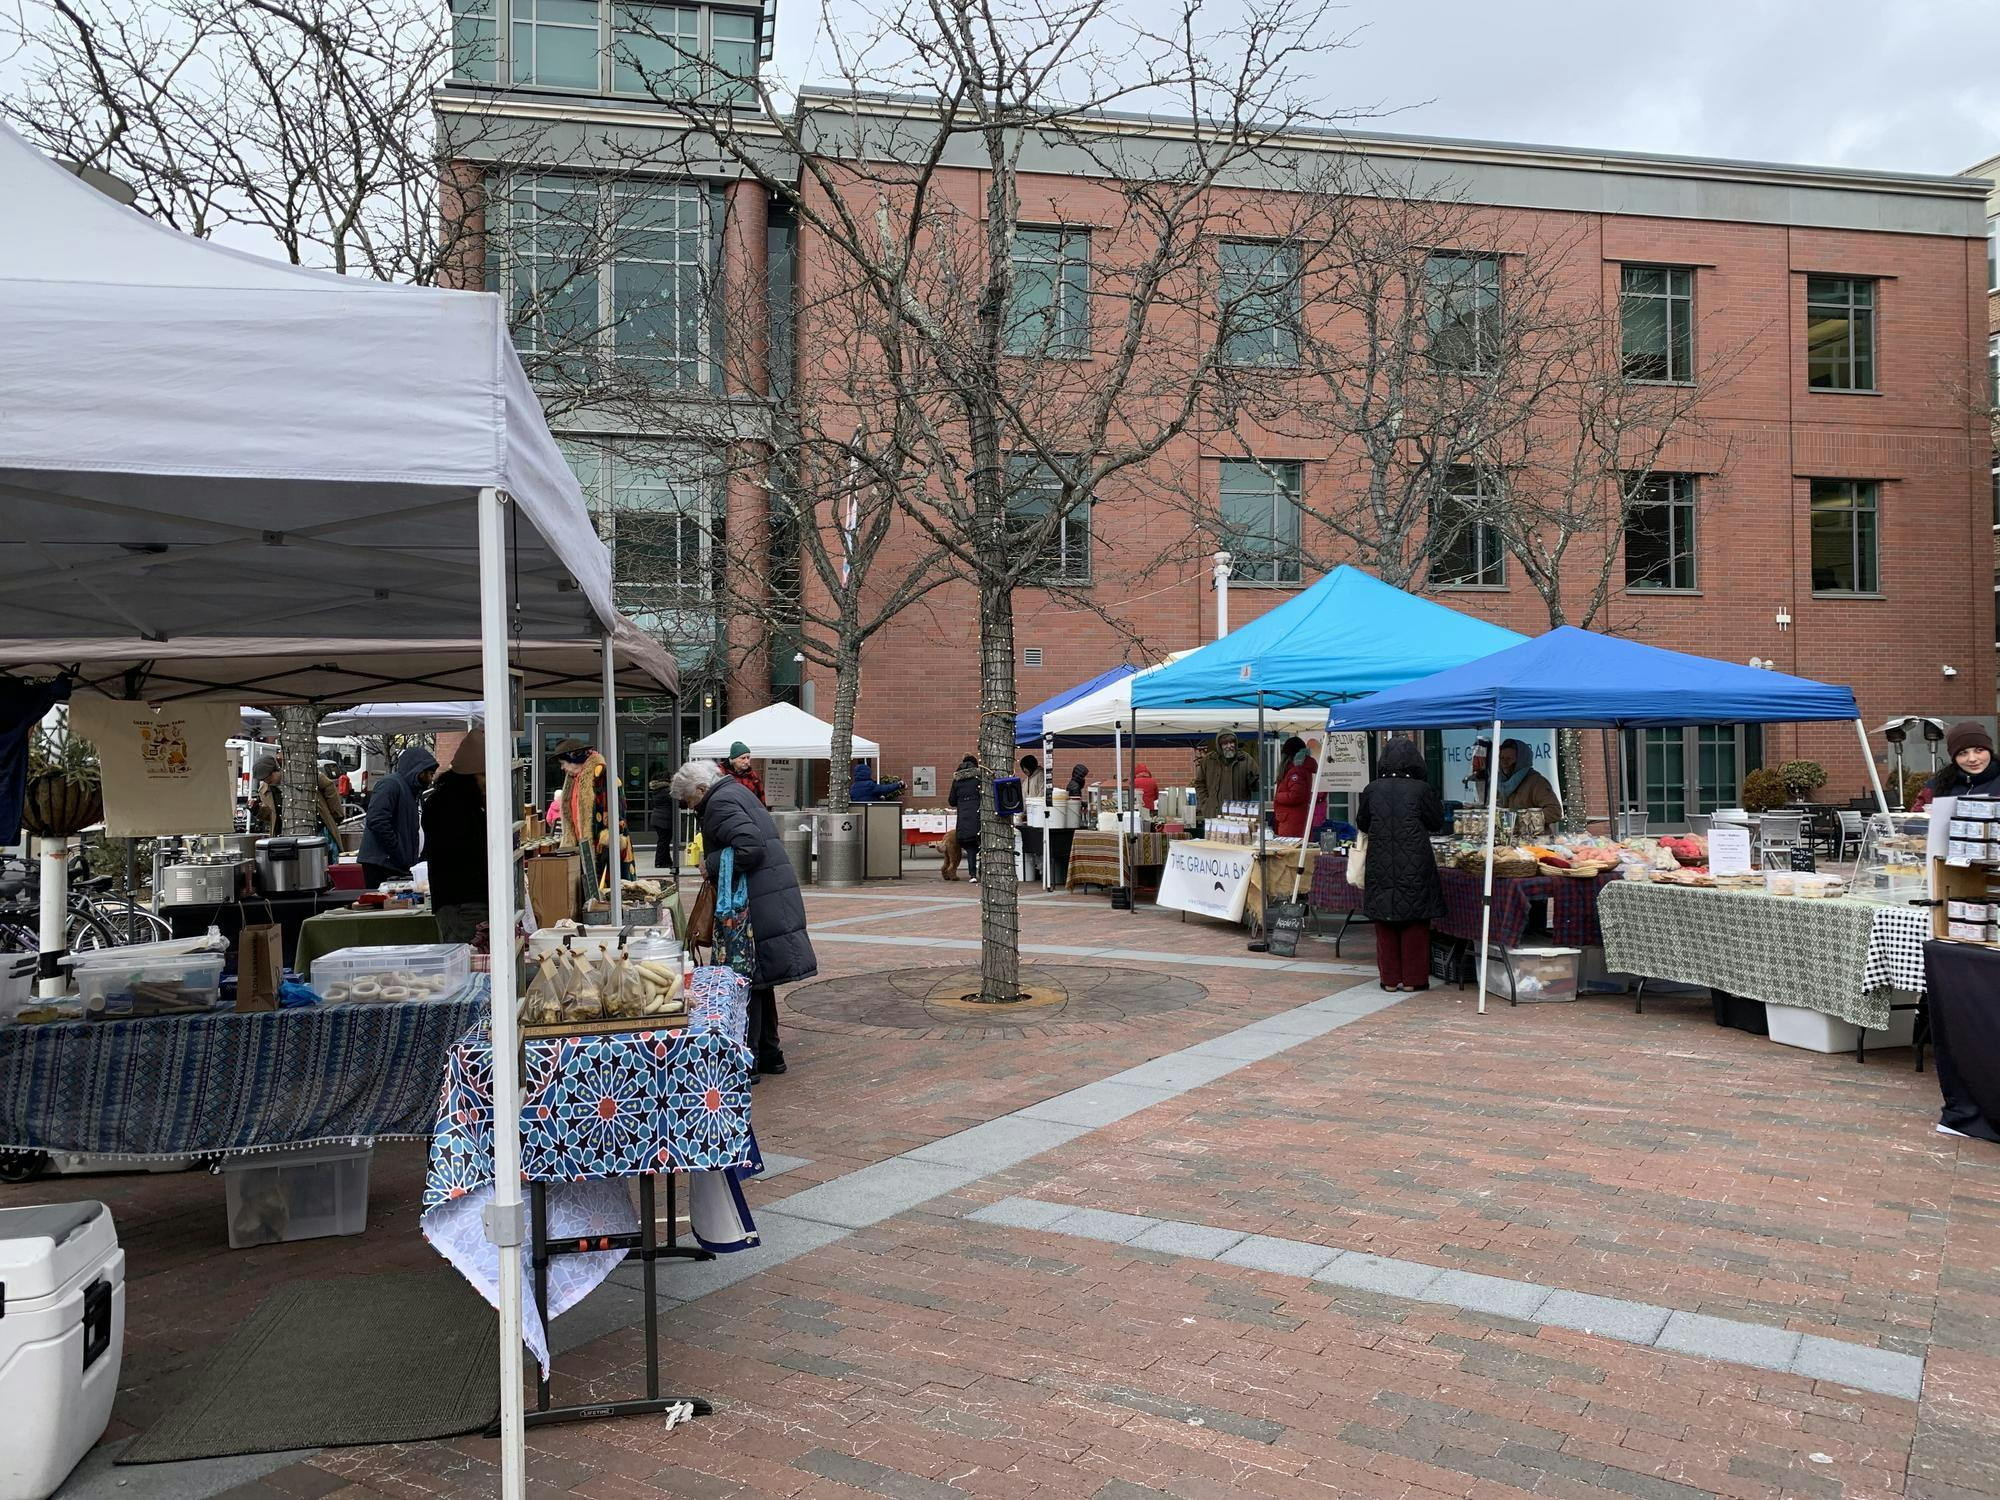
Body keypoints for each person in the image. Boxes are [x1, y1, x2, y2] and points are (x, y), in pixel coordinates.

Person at [673, 757, 816, 1080]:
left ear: (701, 789)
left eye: (689, 801)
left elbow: (749, 846)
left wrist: (711, 864)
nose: (690, 808)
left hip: (753, 902)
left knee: (744, 978)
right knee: (759, 979)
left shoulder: (719, 803)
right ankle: (770, 1053)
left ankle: (746, 1060)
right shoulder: (735, 791)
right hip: (766, 896)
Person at [1355, 737, 1445, 993]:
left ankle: (1390, 979)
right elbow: (1436, 822)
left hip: (1380, 860)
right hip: (1415, 861)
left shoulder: (1372, 789)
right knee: (1415, 921)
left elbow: (1362, 823)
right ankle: (1413, 980)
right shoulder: (1421, 789)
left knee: (1385, 921)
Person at [422, 731, 488, 943]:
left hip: (460, 901)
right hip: (463, 903)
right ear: (469, 776)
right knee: (470, 957)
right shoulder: (453, 807)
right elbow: (470, 851)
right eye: (483, 775)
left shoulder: (445, 802)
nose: (488, 783)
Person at [553, 738, 631, 898]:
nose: (562, 768)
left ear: (574, 758)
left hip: (602, 846)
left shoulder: (602, 774)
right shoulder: (573, 779)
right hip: (582, 846)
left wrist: (610, 840)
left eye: (563, 763)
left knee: (608, 894)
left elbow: (618, 808)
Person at [358, 745, 437, 886]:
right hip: (383, 865)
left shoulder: (414, 793)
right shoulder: (391, 784)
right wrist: (398, 850)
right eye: (430, 774)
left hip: (399, 863)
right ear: (418, 771)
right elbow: (377, 820)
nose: (431, 779)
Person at [1914, 721, 2000, 808]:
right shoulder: (1937, 785)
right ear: (1954, 758)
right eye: (1963, 753)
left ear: (1990, 752)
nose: (1972, 759)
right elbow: (1917, 814)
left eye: (1979, 750)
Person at [1496, 738, 1563, 826]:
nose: (1505, 763)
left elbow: (1554, 811)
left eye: (1509, 759)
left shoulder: (1536, 782)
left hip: (1533, 834)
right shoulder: (1498, 781)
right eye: (1502, 758)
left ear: (1520, 761)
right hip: (1506, 833)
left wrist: (1525, 820)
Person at [1197, 731, 1257, 827]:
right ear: (1219, 746)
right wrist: (1206, 803)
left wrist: (1253, 780)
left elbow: (1257, 784)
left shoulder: (1245, 759)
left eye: (1232, 742)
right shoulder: (1209, 760)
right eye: (1225, 743)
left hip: (1239, 815)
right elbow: (1200, 783)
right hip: (1214, 814)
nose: (1229, 746)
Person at [1272, 736, 1318, 838]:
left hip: (1292, 823)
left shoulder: (1296, 771)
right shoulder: (1299, 769)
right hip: (1294, 820)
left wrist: (1278, 796)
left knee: (1290, 847)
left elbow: (1296, 796)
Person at [948, 755, 983, 879]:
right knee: (982, 845)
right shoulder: (979, 778)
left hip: (963, 819)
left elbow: (951, 801)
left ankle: (972, 875)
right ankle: (982, 872)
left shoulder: (957, 780)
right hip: (978, 817)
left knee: (970, 847)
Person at [719, 740, 765, 805]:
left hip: (747, 809)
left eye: (748, 758)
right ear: (733, 760)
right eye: (743, 758)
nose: (747, 761)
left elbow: (761, 799)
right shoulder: (720, 773)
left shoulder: (753, 776)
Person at [250, 755, 283, 834]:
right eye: (263, 779)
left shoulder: (295, 781)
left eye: (268, 777)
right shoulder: (264, 790)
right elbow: (271, 816)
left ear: (276, 770)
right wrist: (257, 810)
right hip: (279, 831)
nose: (267, 781)